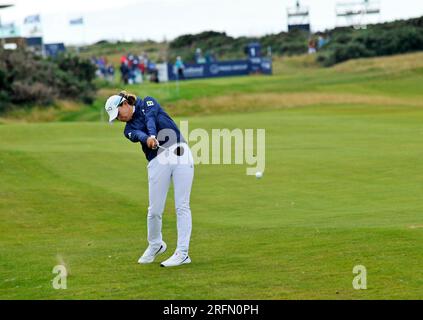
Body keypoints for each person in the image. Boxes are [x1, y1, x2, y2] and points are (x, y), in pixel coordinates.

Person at [104, 91, 194, 268]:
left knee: (182, 205)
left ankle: (182, 253)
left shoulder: (149, 102)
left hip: (180, 151)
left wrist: (152, 134)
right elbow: (139, 134)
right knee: (154, 210)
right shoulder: (128, 130)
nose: (119, 119)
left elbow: (150, 118)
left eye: (118, 114)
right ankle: (156, 244)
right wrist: (148, 139)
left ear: (124, 105)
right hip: (157, 160)